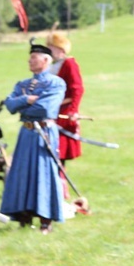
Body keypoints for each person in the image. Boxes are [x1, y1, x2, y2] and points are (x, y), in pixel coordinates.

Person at [0, 41, 66, 234]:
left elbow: (46, 108)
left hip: (43, 132)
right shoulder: (23, 85)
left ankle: (46, 220)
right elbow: (10, 105)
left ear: (46, 61)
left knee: (43, 174)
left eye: (34, 58)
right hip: (26, 133)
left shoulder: (56, 83)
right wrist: (26, 100)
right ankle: (24, 216)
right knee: (22, 174)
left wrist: (24, 105)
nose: (30, 61)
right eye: (30, 58)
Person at [46, 29, 85, 202]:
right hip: (52, 114)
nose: (49, 51)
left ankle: (60, 192)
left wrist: (72, 111)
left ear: (60, 49)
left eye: (52, 48)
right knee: (51, 153)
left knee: (58, 155)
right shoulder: (53, 64)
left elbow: (77, 88)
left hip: (63, 115)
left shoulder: (69, 63)